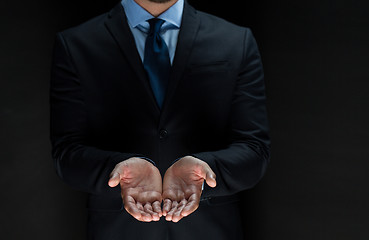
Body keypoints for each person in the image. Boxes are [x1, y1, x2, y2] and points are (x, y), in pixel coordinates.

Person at [50, 0, 271, 239]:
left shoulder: (235, 40)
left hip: (211, 231)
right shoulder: (76, 44)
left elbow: (254, 149)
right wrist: (116, 170)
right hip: (118, 232)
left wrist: (206, 171)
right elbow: (67, 153)